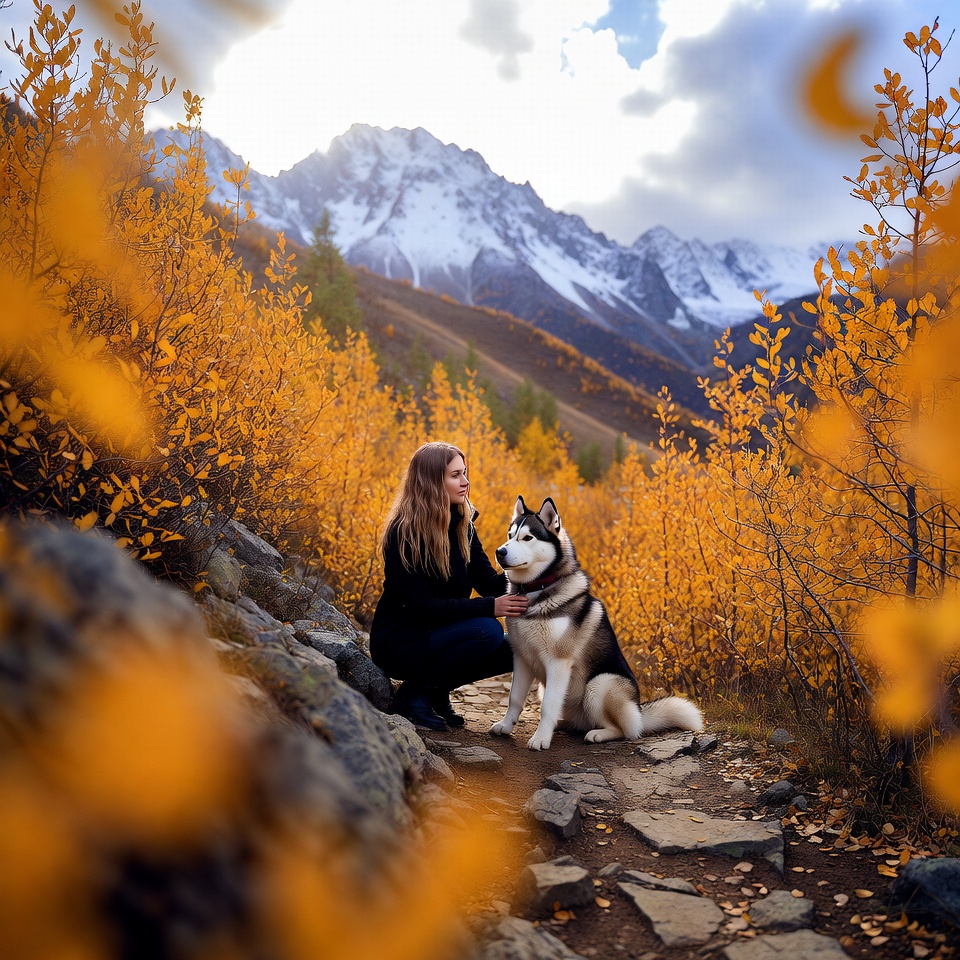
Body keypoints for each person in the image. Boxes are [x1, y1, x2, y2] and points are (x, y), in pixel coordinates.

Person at [370, 441, 528, 731]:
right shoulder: (405, 532)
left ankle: (433, 692)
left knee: (518, 649)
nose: (465, 482)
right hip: (401, 640)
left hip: (437, 634)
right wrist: (490, 607)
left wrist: (535, 574)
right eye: (455, 475)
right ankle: (414, 694)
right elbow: (421, 608)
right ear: (432, 481)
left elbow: (489, 582)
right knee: (488, 630)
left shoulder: (463, 525)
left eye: (465, 473)